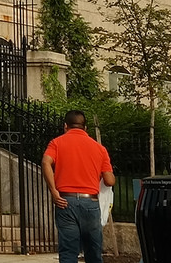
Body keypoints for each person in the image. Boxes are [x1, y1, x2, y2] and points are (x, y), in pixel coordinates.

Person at [43, 110, 116, 263]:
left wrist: (53, 191)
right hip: (90, 203)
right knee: (93, 251)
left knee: (68, 252)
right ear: (85, 128)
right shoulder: (99, 148)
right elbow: (109, 181)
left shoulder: (56, 143)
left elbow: (45, 162)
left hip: (65, 201)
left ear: (65, 126)